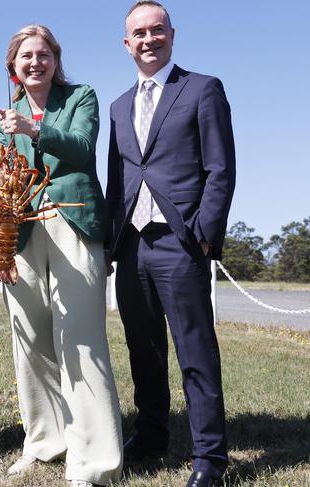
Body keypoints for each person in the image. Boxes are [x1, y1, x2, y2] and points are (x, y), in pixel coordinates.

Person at [106, 2, 236, 486]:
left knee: (195, 351)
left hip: (182, 244)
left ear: (172, 34)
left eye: (156, 30)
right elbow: (115, 179)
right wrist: (108, 245)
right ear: (126, 44)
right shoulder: (119, 106)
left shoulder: (202, 89)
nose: (148, 39)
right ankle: (152, 436)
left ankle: (210, 458)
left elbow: (220, 169)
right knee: (144, 350)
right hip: (131, 246)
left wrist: (203, 235)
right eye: (138, 33)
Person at [0, 25, 123, 487]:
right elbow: (3, 171)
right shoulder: (3, 115)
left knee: (80, 339)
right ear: (13, 65)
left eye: (43, 54)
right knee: (29, 341)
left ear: (55, 59)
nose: (35, 62)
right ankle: (45, 442)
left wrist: (35, 129)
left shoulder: (80, 97)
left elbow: (83, 147)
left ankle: (93, 460)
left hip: (74, 222)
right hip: (23, 231)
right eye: (26, 55)